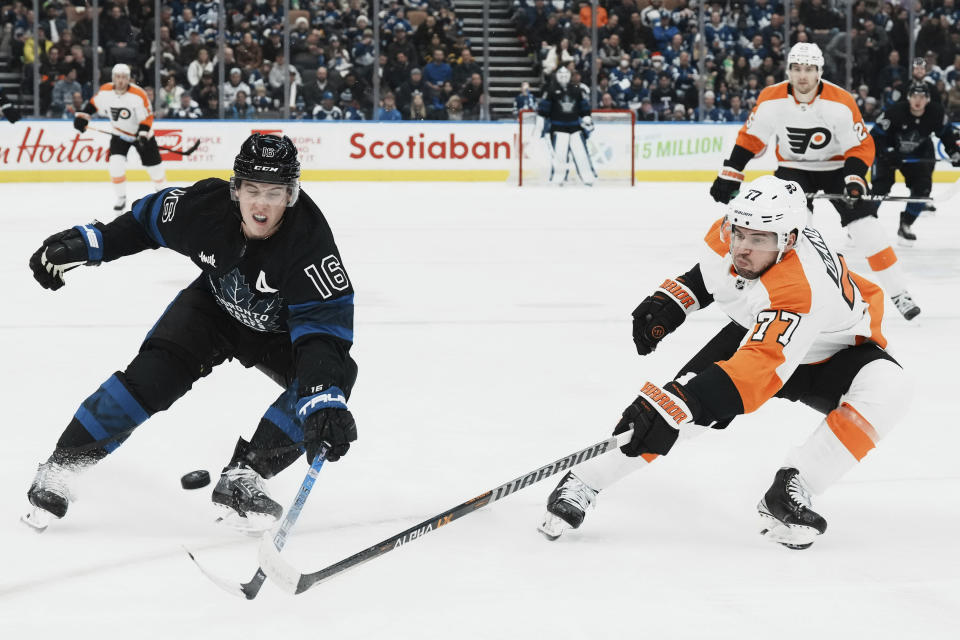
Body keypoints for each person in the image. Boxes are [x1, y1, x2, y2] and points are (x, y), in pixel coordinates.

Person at [538, 175, 910, 550]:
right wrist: (676, 300)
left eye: (759, 240)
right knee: (676, 411)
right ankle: (585, 479)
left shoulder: (799, 287)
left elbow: (758, 369)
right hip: (763, 330)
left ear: (790, 241)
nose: (743, 248)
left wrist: (686, 402)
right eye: (740, 234)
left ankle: (792, 490)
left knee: (889, 389)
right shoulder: (737, 228)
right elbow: (712, 271)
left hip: (834, 350)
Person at [22, 134, 358, 533]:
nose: (262, 204)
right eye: (252, 190)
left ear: (292, 195)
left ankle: (243, 477)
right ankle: (61, 468)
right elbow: (147, 221)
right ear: (235, 190)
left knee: (333, 378)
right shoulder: (205, 209)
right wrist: (92, 243)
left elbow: (323, 329)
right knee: (148, 381)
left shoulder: (311, 245)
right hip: (210, 310)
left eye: (275, 192)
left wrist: (322, 400)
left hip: (277, 334)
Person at [709, 43, 921, 321]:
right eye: (797, 69)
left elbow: (859, 147)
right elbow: (751, 138)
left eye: (809, 69)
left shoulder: (840, 101)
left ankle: (899, 293)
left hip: (836, 169)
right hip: (793, 169)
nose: (802, 76)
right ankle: (791, 294)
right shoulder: (771, 99)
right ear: (789, 70)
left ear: (819, 71)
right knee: (795, 235)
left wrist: (854, 179)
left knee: (867, 229)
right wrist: (731, 172)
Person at [870, 82, 960, 249]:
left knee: (923, 189)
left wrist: (954, 152)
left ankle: (906, 225)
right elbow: (874, 135)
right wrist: (887, 152)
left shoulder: (936, 113)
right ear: (908, 98)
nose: (918, 100)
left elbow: (947, 134)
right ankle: (864, 223)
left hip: (917, 155)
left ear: (928, 99)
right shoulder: (894, 112)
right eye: (914, 96)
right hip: (889, 154)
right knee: (879, 188)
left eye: (922, 97)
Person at [73, 64, 166, 212]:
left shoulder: (139, 94)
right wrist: (83, 118)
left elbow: (147, 117)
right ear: (113, 78)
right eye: (118, 77)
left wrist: (142, 135)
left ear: (128, 79)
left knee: (155, 169)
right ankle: (121, 198)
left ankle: (163, 194)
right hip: (119, 135)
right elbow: (92, 105)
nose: (120, 80)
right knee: (115, 165)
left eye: (124, 77)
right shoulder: (105, 91)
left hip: (142, 136)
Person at [537, 67, 597, 186]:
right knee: (559, 155)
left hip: (575, 127)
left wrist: (586, 116)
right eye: (561, 74)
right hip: (558, 127)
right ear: (557, 76)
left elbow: (584, 107)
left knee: (581, 153)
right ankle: (558, 177)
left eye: (566, 74)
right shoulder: (550, 90)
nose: (563, 76)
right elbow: (543, 110)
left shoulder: (577, 89)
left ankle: (588, 176)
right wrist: (540, 127)